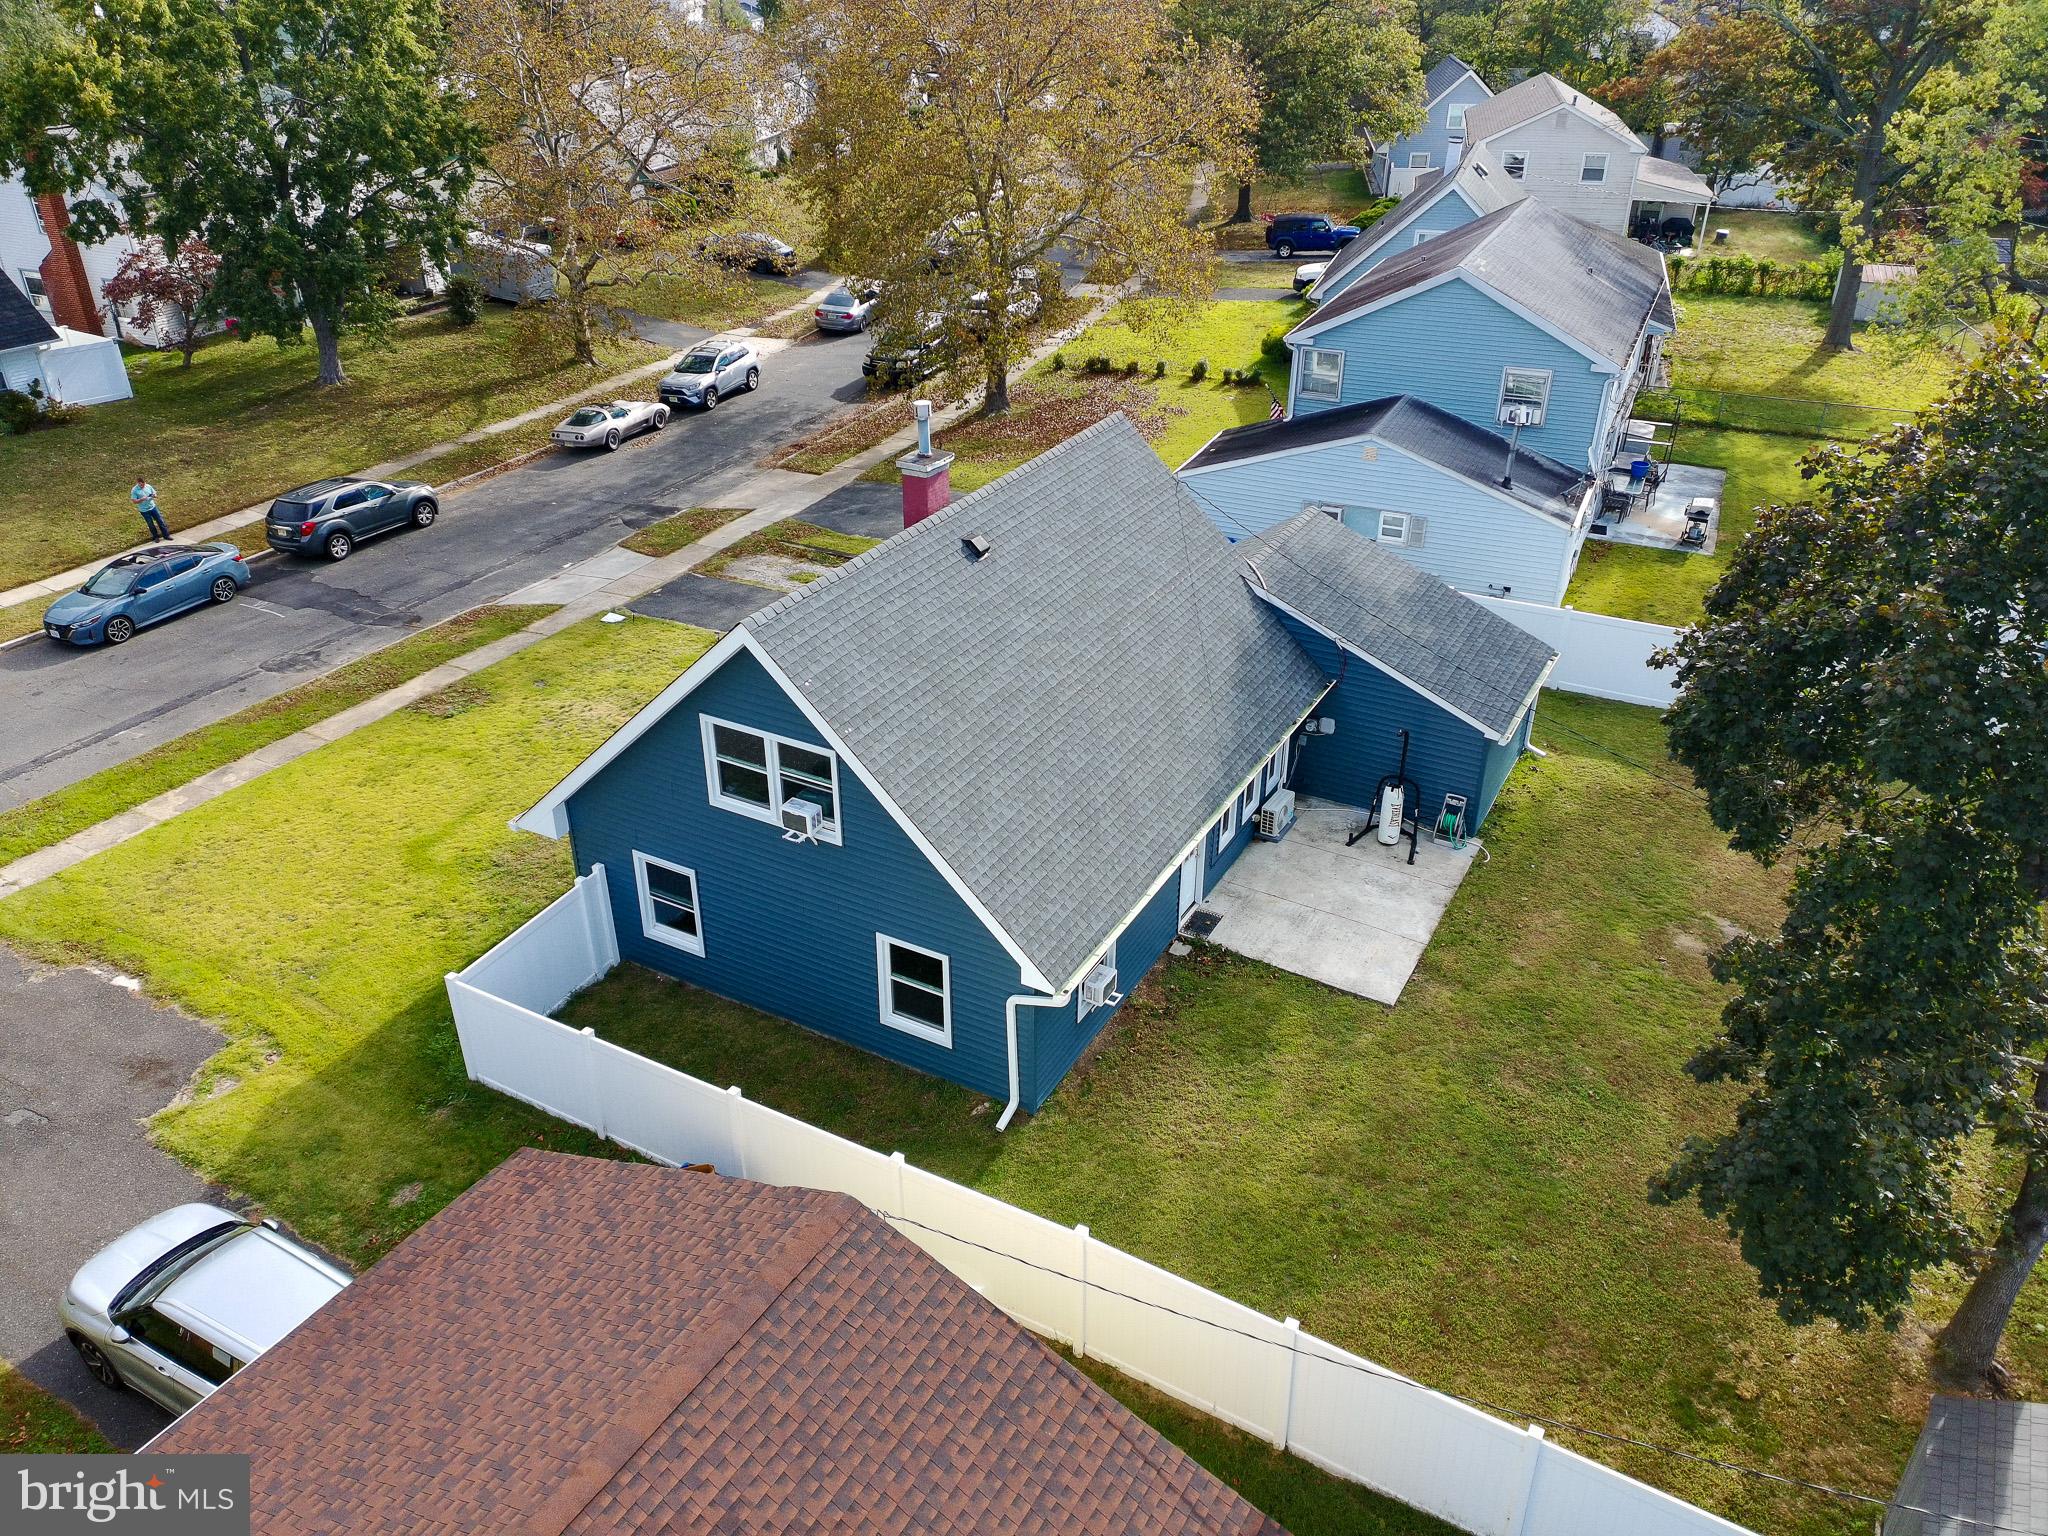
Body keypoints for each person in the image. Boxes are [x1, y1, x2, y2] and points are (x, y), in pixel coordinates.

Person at [131, 476, 169, 542]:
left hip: (153, 507)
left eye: (144, 484)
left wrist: (154, 495)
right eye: (141, 484)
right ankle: (156, 537)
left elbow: (154, 493)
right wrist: (141, 499)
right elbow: (134, 501)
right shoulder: (134, 490)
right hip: (144, 510)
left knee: (160, 521)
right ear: (138, 483)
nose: (143, 485)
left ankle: (166, 535)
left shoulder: (148, 486)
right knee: (150, 524)